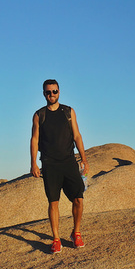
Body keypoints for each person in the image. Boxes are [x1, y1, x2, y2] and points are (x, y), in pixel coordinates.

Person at [30, 79, 88, 253]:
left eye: (54, 91)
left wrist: (84, 159)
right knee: (53, 202)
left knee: (78, 198)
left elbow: (77, 135)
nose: (51, 95)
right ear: (43, 94)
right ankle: (56, 239)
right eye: (48, 92)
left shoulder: (68, 112)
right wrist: (33, 162)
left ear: (59, 92)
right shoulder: (39, 115)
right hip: (50, 164)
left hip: (69, 162)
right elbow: (34, 140)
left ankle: (76, 233)